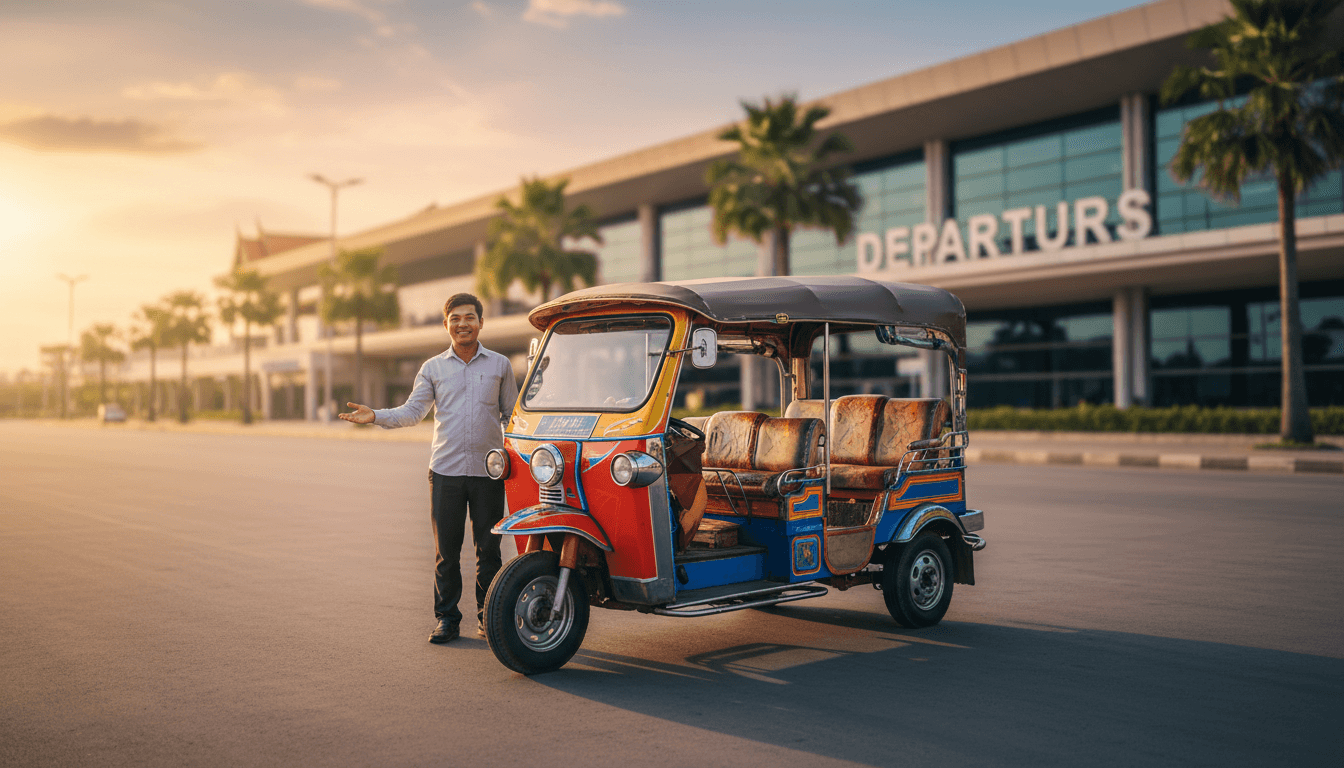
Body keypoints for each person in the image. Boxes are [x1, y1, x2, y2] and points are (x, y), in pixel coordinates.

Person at [341, 293, 518, 644]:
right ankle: (447, 619)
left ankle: (488, 617)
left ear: (481, 323)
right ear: (446, 325)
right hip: (446, 473)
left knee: (489, 550)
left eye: (470, 317)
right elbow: (412, 413)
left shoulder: (500, 365)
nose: (462, 323)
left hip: (488, 473)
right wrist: (375, 415)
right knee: (446, 553)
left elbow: (510, 415)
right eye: (455, 318)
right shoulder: (433, 368)